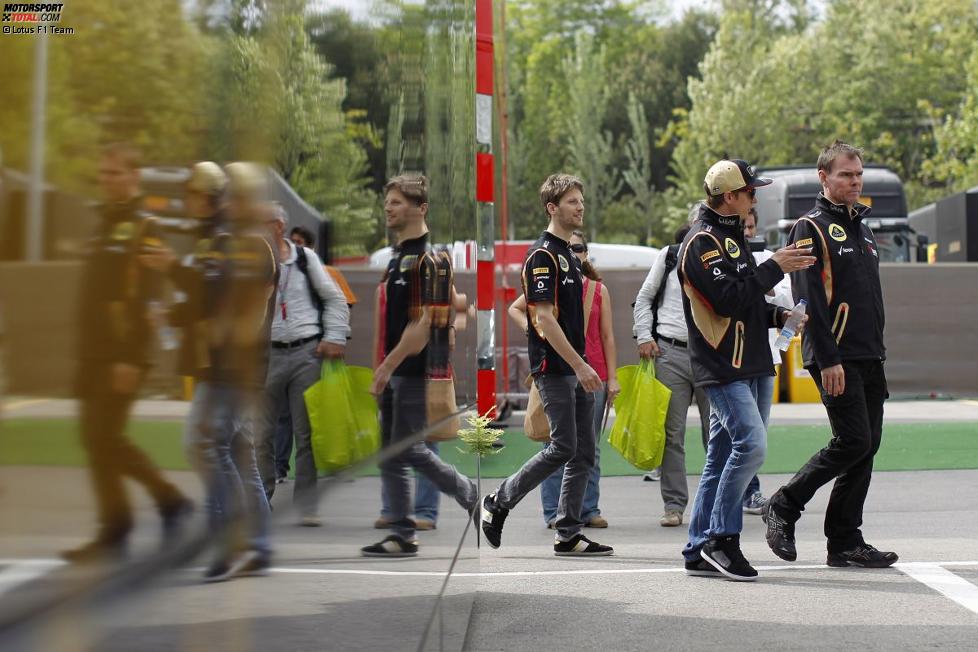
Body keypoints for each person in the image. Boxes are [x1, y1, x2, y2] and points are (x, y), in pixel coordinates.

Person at [764, 141, 899, 569]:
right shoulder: (810, 227)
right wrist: (827, 358)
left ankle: (844, 541)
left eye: (858, 174)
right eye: (846, 175)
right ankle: (784, 505)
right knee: (853, 440)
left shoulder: (865, 228)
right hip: (835, 356)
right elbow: (809, 301)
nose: (855, 181)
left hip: (868, 354)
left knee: (867, 445)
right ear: (824, 177)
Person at [679, 159, 814, 581]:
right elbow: (726, 300)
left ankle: (698, 549)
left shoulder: (732, 239)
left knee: (722, 455)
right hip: (723, 365)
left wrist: (781, 318)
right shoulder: (701, 242)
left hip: (751, 361)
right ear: (730, 196)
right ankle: (722, 538)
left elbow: (748, 301)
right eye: (751, 191)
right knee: (751, 447)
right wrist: (774, 265)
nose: (757, 196)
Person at [63, 143, 192, 563]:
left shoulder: (143, 227)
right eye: (103, 173)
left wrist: (130, 356)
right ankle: (117, 527)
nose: (108, 179)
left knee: (105, 438)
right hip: (92, 352)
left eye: (116, 173)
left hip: (120, 355)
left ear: (134, 176)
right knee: (95, 440)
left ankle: (165, 500)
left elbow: (149, 298)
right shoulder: (104, 224)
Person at [481, 173, 613, 557]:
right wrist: (581, 365)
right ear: (552, 208)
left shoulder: (570, 256)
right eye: (572, 201)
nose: (580, 207)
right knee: (562, 447)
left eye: (581, 200)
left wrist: (584, 365)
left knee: (584, 452)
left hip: (575, 369)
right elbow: (542, 319)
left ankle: (568, 533)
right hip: (556, 370)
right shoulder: (543, 256)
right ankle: (498, 500)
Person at [361, 174, 477, 557]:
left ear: (420, 208)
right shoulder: (397, 258)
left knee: (409, 450)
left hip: (414, 375)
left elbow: (424, 326)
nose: (388, 209)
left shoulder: (431, 261)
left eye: (396, 202)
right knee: (395, 453)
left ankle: (466, 494)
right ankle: (400, 531)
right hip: (396, 374)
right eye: (388, 202)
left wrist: (386, 367)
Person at [507, 230, 620, 530]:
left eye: (580, 248)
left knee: (586, 448)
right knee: (557, 445)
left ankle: (583, 513)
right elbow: (530, 313)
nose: (575, 252)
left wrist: (612, 377)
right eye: (571, 247)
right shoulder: (548, 267)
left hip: (590, 373)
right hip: (562, 369)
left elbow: (607, 336)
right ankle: (546, 511)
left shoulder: (595, 288)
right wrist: (537, 334)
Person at [256, 203, 350, 526]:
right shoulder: (253, 261)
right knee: (261, 432)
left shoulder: (305, 259)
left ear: (279, 227)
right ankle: (261, 498)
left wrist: (335, 335)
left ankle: (306, 504)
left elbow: (335, 298)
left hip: (304, 353)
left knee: (305, 432)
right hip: (265, 354)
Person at [632, 222, 712, 528]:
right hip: (671, 353)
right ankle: (674, 505)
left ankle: (717, 502)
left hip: (710, 354)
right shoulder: (669, 256)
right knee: (671, 435)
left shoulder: (717, 254)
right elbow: (644, 297)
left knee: (715, 433)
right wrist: (643, 336)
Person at [740, 207, 795, 515]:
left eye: (751, 227)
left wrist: (768, 276)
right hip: (734, 359)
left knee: (759, 431)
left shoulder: (771, 259)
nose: (748, 232)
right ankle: (738, 492)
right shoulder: (728, 257)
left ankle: (750, 490)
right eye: (743, 226)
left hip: (767, 356)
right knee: (741, 434)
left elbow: (787, 301)